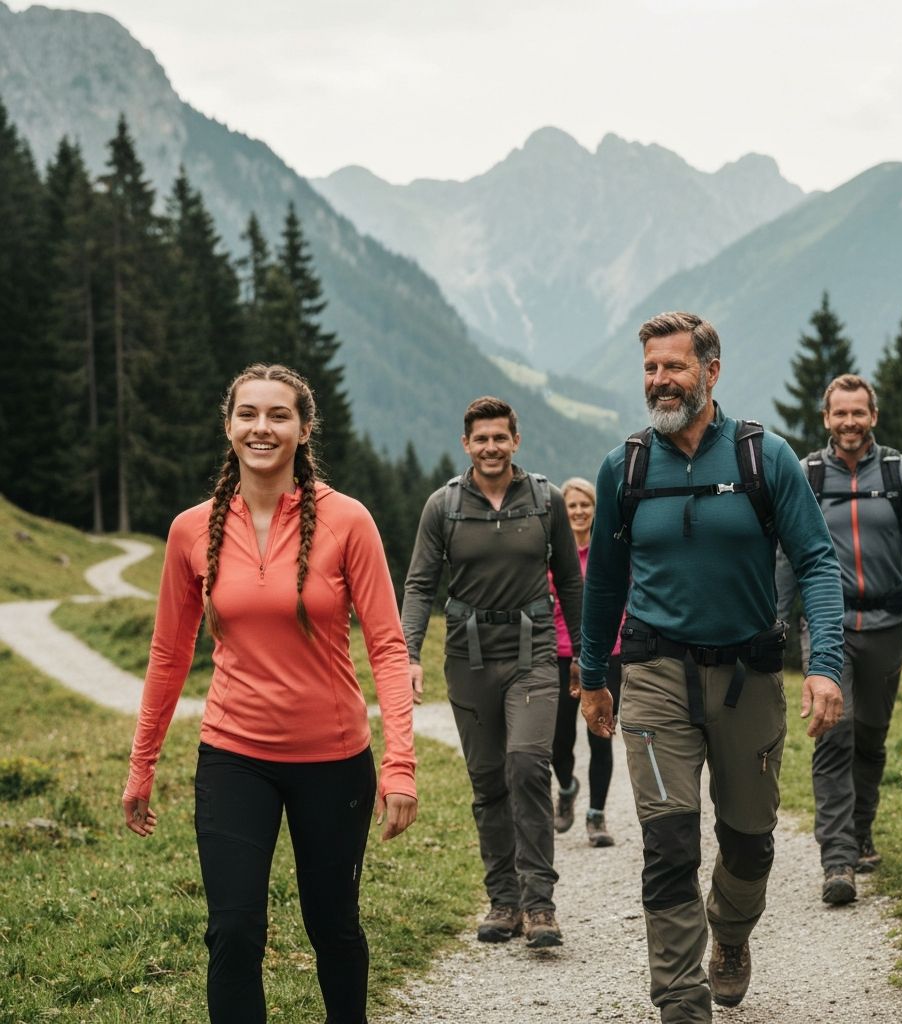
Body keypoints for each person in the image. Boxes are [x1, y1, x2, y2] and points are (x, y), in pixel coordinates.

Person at [122, 364, 417, 1024]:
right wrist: (142, 764)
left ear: (304, 429)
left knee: (334, 928)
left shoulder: (349, 521)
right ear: (228, 427)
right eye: (248, 414)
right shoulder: (190, 530)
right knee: (233, 933)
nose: (262, 427)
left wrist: (400, 764)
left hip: (335, 760)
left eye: (278, 415)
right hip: (233, 757)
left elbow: (389, 648)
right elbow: (169, 657)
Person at [579, 311, 845, 1022]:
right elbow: (603, 582)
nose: (660, 382)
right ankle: (680, 1001)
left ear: (711, 372)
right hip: (655, 673)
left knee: (751, 842)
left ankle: (728, 934)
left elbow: (817, 561)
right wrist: (593, 677)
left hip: (748, 678)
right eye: (650, 370)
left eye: (674, 367)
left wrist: (825, 663)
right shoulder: (625, 466)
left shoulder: (765, 458)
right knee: (668, 842)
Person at [402, 396, 583, 948]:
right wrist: (408, 653)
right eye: (480, 439)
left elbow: (572, 583)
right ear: (466, 445)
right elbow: (418, 586)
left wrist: (584, 656)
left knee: (528, 765)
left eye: (499, 438)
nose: (490, 447)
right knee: (487, 782)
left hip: (533, 654)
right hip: (468, 657)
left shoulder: (545, 500)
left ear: (515, 441)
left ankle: (540, 904)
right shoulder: (444, 506)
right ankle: (503, 901)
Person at [775, 373, 902, 905]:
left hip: (885, 625)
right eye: (839, 414)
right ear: (826, 419)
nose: (849, 422)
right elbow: (785, 554)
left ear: (872, 416)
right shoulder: (806, 474)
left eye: (858, 413)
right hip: (826, 625)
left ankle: (861, 830)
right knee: (835, 729)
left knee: (870, 736)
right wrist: (776, 622)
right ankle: (838, 859)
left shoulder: (901, 472)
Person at [550, 476, 621, 848]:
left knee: (601, 736)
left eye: (584, 505)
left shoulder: (607, 551)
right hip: (558, 656)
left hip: (607, 655)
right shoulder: (551, 553)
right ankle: (566, 787)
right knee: (556, 741)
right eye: (571, 506)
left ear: (595, 510)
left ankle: (596, 816)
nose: (578, 512)